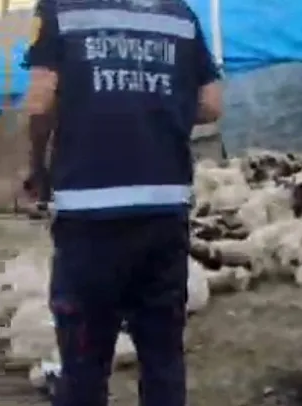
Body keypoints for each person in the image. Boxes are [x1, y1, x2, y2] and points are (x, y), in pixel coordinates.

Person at [21, 0, 223, 404]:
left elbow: (40, 103)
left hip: (88, 214)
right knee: (162, 353)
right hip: (164, 207)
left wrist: (37, 167)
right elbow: (211, 105)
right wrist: (153, 107)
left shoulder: (60, 9)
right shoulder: (180, 16)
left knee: (84, 358)